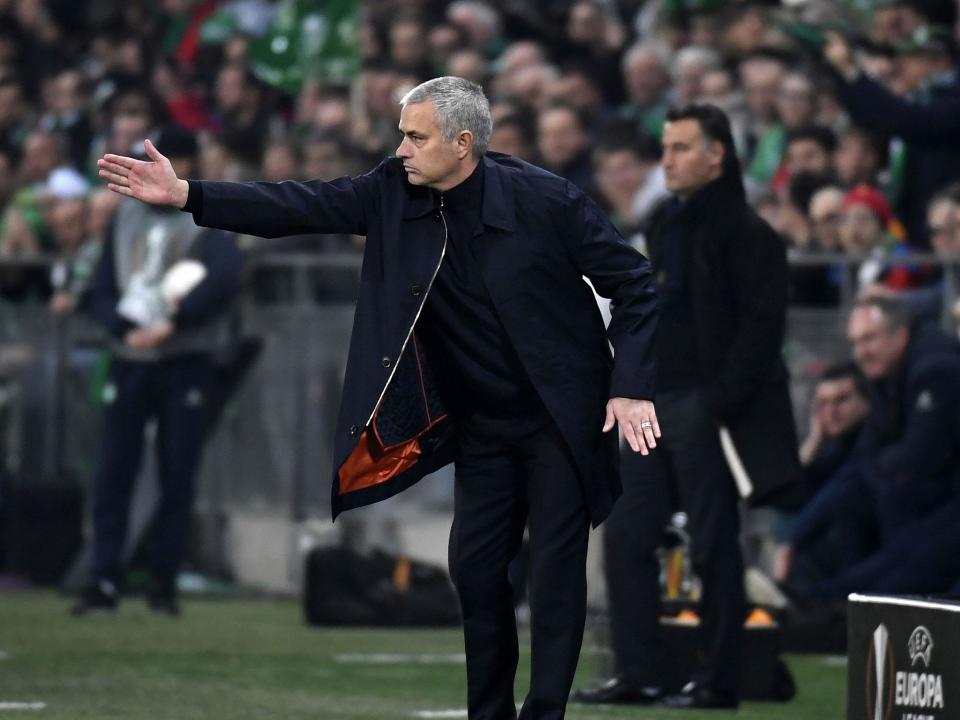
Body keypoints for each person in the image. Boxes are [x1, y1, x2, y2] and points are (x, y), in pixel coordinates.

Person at [96, 77, 659, 720]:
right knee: (474, 571)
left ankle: (545, 713)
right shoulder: (392, 190)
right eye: (402, 134)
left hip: (561, 415)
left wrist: (632, 387)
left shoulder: (547, 198)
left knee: (557, 576)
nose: (401, 150)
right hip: (481, 423)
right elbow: (300, 205)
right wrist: (188, 194)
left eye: (416, 137)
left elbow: (636, 283)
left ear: (463, 143)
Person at [573, 104, 799, 710]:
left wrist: (717, 401)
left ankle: (719, 677)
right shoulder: (664, 223)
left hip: (708, 406)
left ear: (716, 155)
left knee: (712, 543)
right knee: (626, 535)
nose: (665, 161)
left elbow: (760, 331)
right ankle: (639, 672)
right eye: (666, 147)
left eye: (679, 149)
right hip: (654, 400)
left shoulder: (750, 236)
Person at [72, 126, 242, 617]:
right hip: (131, 358)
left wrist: (174, 324)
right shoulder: (125, 216)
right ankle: (103, 578)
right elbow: (104, 284)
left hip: (184, 358)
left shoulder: (209, 214)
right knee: (112, 471)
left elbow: (222, 280)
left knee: (177, 471)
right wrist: (122, 329)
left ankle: (162, 582)